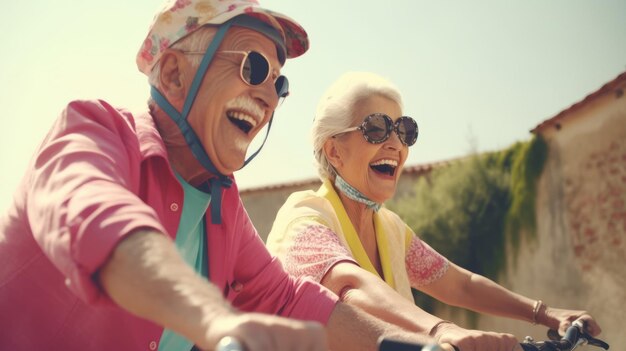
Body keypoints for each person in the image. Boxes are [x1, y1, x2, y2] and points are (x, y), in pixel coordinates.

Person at [0, 3, 442, 351]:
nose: (270, 95)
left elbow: (288, 300)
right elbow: (100, 221)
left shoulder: (222, 203)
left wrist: (431, 344)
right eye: (253, 67)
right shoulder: (91, 130)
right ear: (174, 73)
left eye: (279, 83)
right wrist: (214, 319)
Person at [265, 71, 603, 351]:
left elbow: (460, 284)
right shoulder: (305, 216)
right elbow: (351, 286)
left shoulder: (391, 228)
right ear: (335, 151)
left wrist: (546, 314)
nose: (395, 144)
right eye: (377, 128)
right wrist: (441, 330)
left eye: (404, 130)